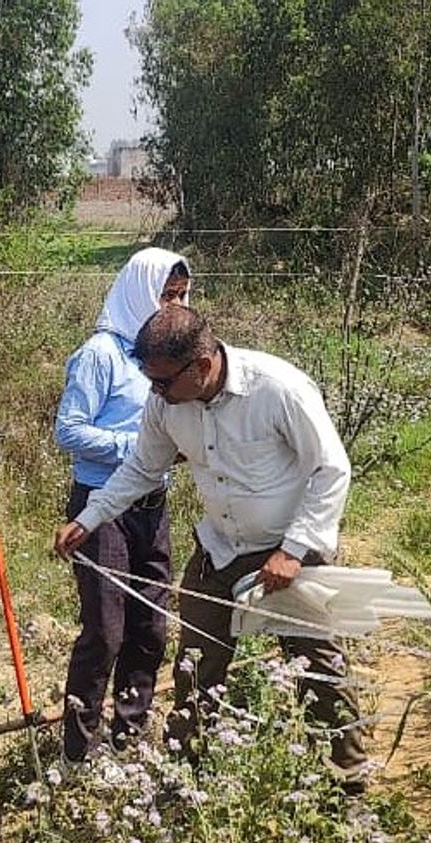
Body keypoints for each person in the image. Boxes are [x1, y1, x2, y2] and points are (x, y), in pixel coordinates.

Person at [55, 305, 366, 784]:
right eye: (149, 382)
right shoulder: (167, 403)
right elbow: (144, 466)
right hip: (218, 550)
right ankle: (189, 778)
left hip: (291, 554)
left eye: (161, 383)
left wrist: (294, 549)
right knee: (195, 668)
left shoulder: (277, 389)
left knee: (319, 669)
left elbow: (331, 470)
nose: (153, 393)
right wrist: (91, 517)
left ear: (201, 367)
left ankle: (346, 783)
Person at [54, 247, 188, 763]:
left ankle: (128, 739)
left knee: (151, 624)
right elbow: (70, 430)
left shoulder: (167, 354)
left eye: (180, 296)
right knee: (105, 631)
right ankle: (78, 752)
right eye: (164, 295)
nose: (172, 307)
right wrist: (136, 449)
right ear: (139, 292)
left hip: (151, 504)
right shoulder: (101, 354)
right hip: (102, 504)